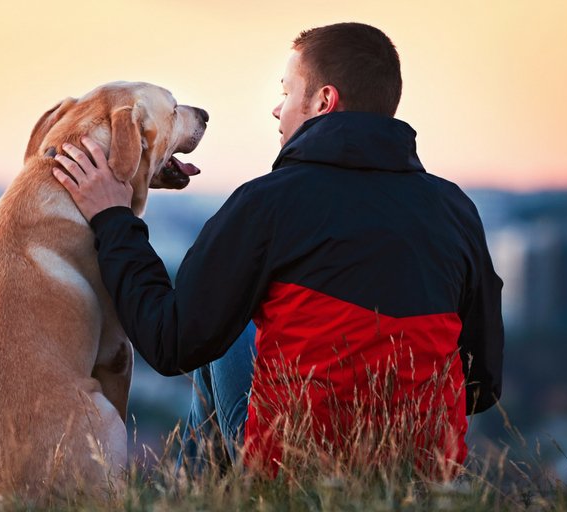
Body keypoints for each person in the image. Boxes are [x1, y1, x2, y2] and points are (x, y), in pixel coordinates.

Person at [51, 22, 503, 478]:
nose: (276, 109)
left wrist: (113, 219)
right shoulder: (455, 211)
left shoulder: (267, 203)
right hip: (424, 476)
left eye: (287, 92)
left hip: (296, 470)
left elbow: (169, 343)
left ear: (324, 101)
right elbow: (482, 384)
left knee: (220, 339)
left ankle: (192, 500)